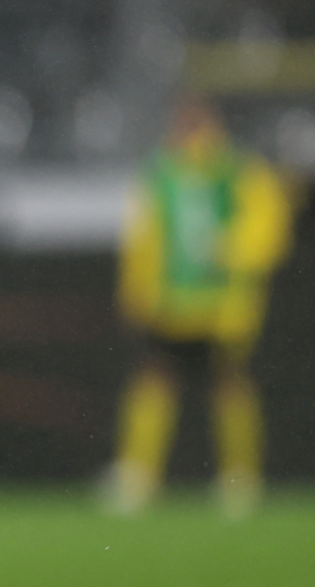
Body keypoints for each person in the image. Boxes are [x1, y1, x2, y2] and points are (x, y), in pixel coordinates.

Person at [106, 95, 292, 518]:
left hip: (222, 303)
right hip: (171, 302)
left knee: (227, 382)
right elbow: (142, 239)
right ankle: (139, 476)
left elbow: (269, 227)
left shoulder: (238, 170)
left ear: (213, 122)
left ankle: (240, 479)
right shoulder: (160, 173)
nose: (186, 129)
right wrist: (135, 291)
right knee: (157, 379)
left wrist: (231, 252)